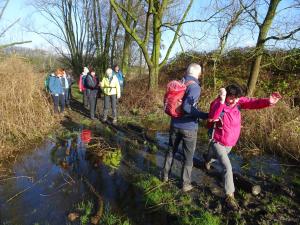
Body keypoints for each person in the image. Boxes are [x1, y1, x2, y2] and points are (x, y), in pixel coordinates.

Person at [205, 84, 281, 210]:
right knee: (227, 166)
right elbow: (212, 116)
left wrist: (268, 101)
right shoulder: (218, 103)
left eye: (236, 97)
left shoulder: (239, 103)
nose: (234, 100)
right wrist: (222, 99)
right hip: (217, 141)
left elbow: (253, 102)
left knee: (214, 157)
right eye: (231, 97)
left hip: (230, 143)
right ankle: (230, 196)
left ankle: (207, 159)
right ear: (226, 95)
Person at [162, 63, 208, 192]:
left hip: (175, 123)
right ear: (198, 74)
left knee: (171, 150)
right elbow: (187, 108)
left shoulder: (179, 82)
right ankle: (185, 184)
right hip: (189, 127)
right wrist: (203, 115)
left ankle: (165, 176)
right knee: (188, 156)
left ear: (187, 72)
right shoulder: (195, 87)